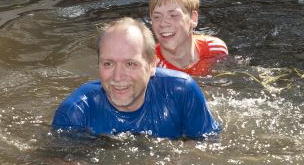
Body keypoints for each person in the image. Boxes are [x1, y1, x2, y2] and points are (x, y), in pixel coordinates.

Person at [51, 17, 220, 139]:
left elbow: (209, 151)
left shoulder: (182, 92)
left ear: (152, 65)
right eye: (108, 64)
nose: (117, 77)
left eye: (130, 64)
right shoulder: (76, 112)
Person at [149, 0, 228, 77]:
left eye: (173, 15)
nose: (163, 23)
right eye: (157, 17)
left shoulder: (215, 50)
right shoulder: (150, 65)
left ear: (193, 19)